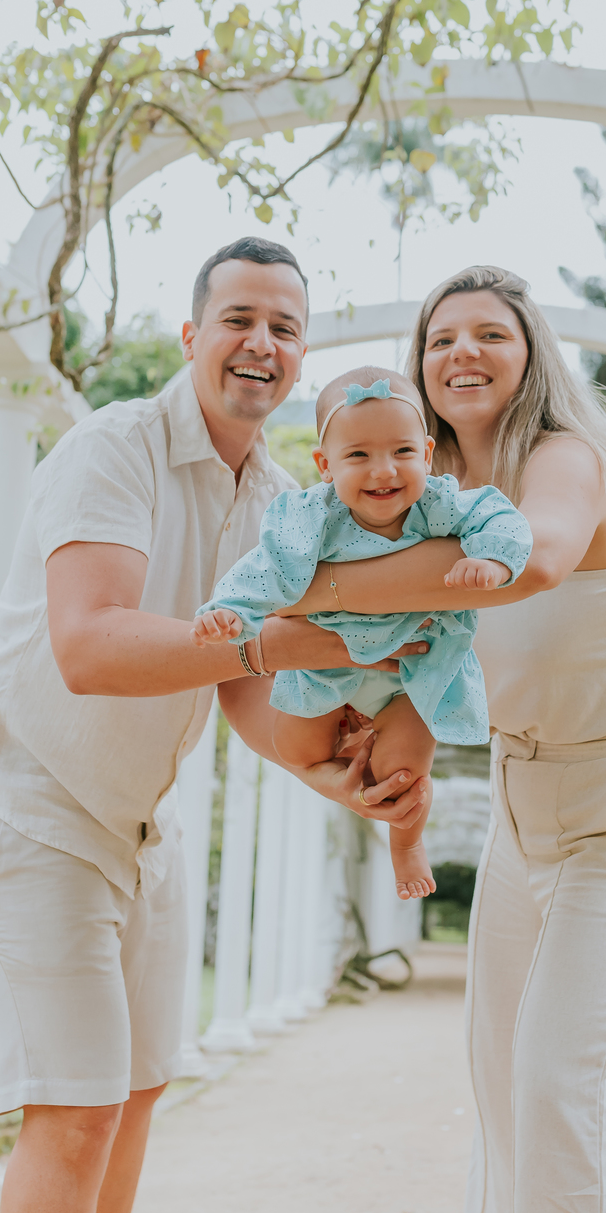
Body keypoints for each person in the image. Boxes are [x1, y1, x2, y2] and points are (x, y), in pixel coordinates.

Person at [0, 238, 432, 1213]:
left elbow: (245, 694)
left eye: (287, 328)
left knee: (141, 1084)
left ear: (300, 359)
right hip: (27, 797)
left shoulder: (273, 499)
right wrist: (289, 643)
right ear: (194, 335)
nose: (263, 343)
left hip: (139, 817)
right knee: (72, 1107)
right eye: (242, 318)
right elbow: (93, 646)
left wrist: (340, 776)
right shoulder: (113, 446)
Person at [277, 265, 606, 1213]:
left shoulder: (561, 454)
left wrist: (302, 588)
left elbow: (544, 556)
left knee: (569, 1091)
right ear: (420, 371)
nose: (463, 354)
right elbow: (431, 654)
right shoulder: (429, 497)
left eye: (490, 335)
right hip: (527, 801)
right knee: (503, 1079)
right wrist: (380, 754)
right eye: (442, 340)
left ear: (532, 355)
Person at [192, 365, 532, 897]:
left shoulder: (440, 505)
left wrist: (491, 558)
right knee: (295, 744)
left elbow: (501, 515)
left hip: (415, 672)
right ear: (325, 466)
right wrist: (232, 609)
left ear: (425, 451)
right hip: (330, 668)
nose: (383, 472)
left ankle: (407, 846)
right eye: (358, 456)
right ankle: (344, 755)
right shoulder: (312, 517)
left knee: (401, 773)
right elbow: (271, 568)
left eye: (401, 452)